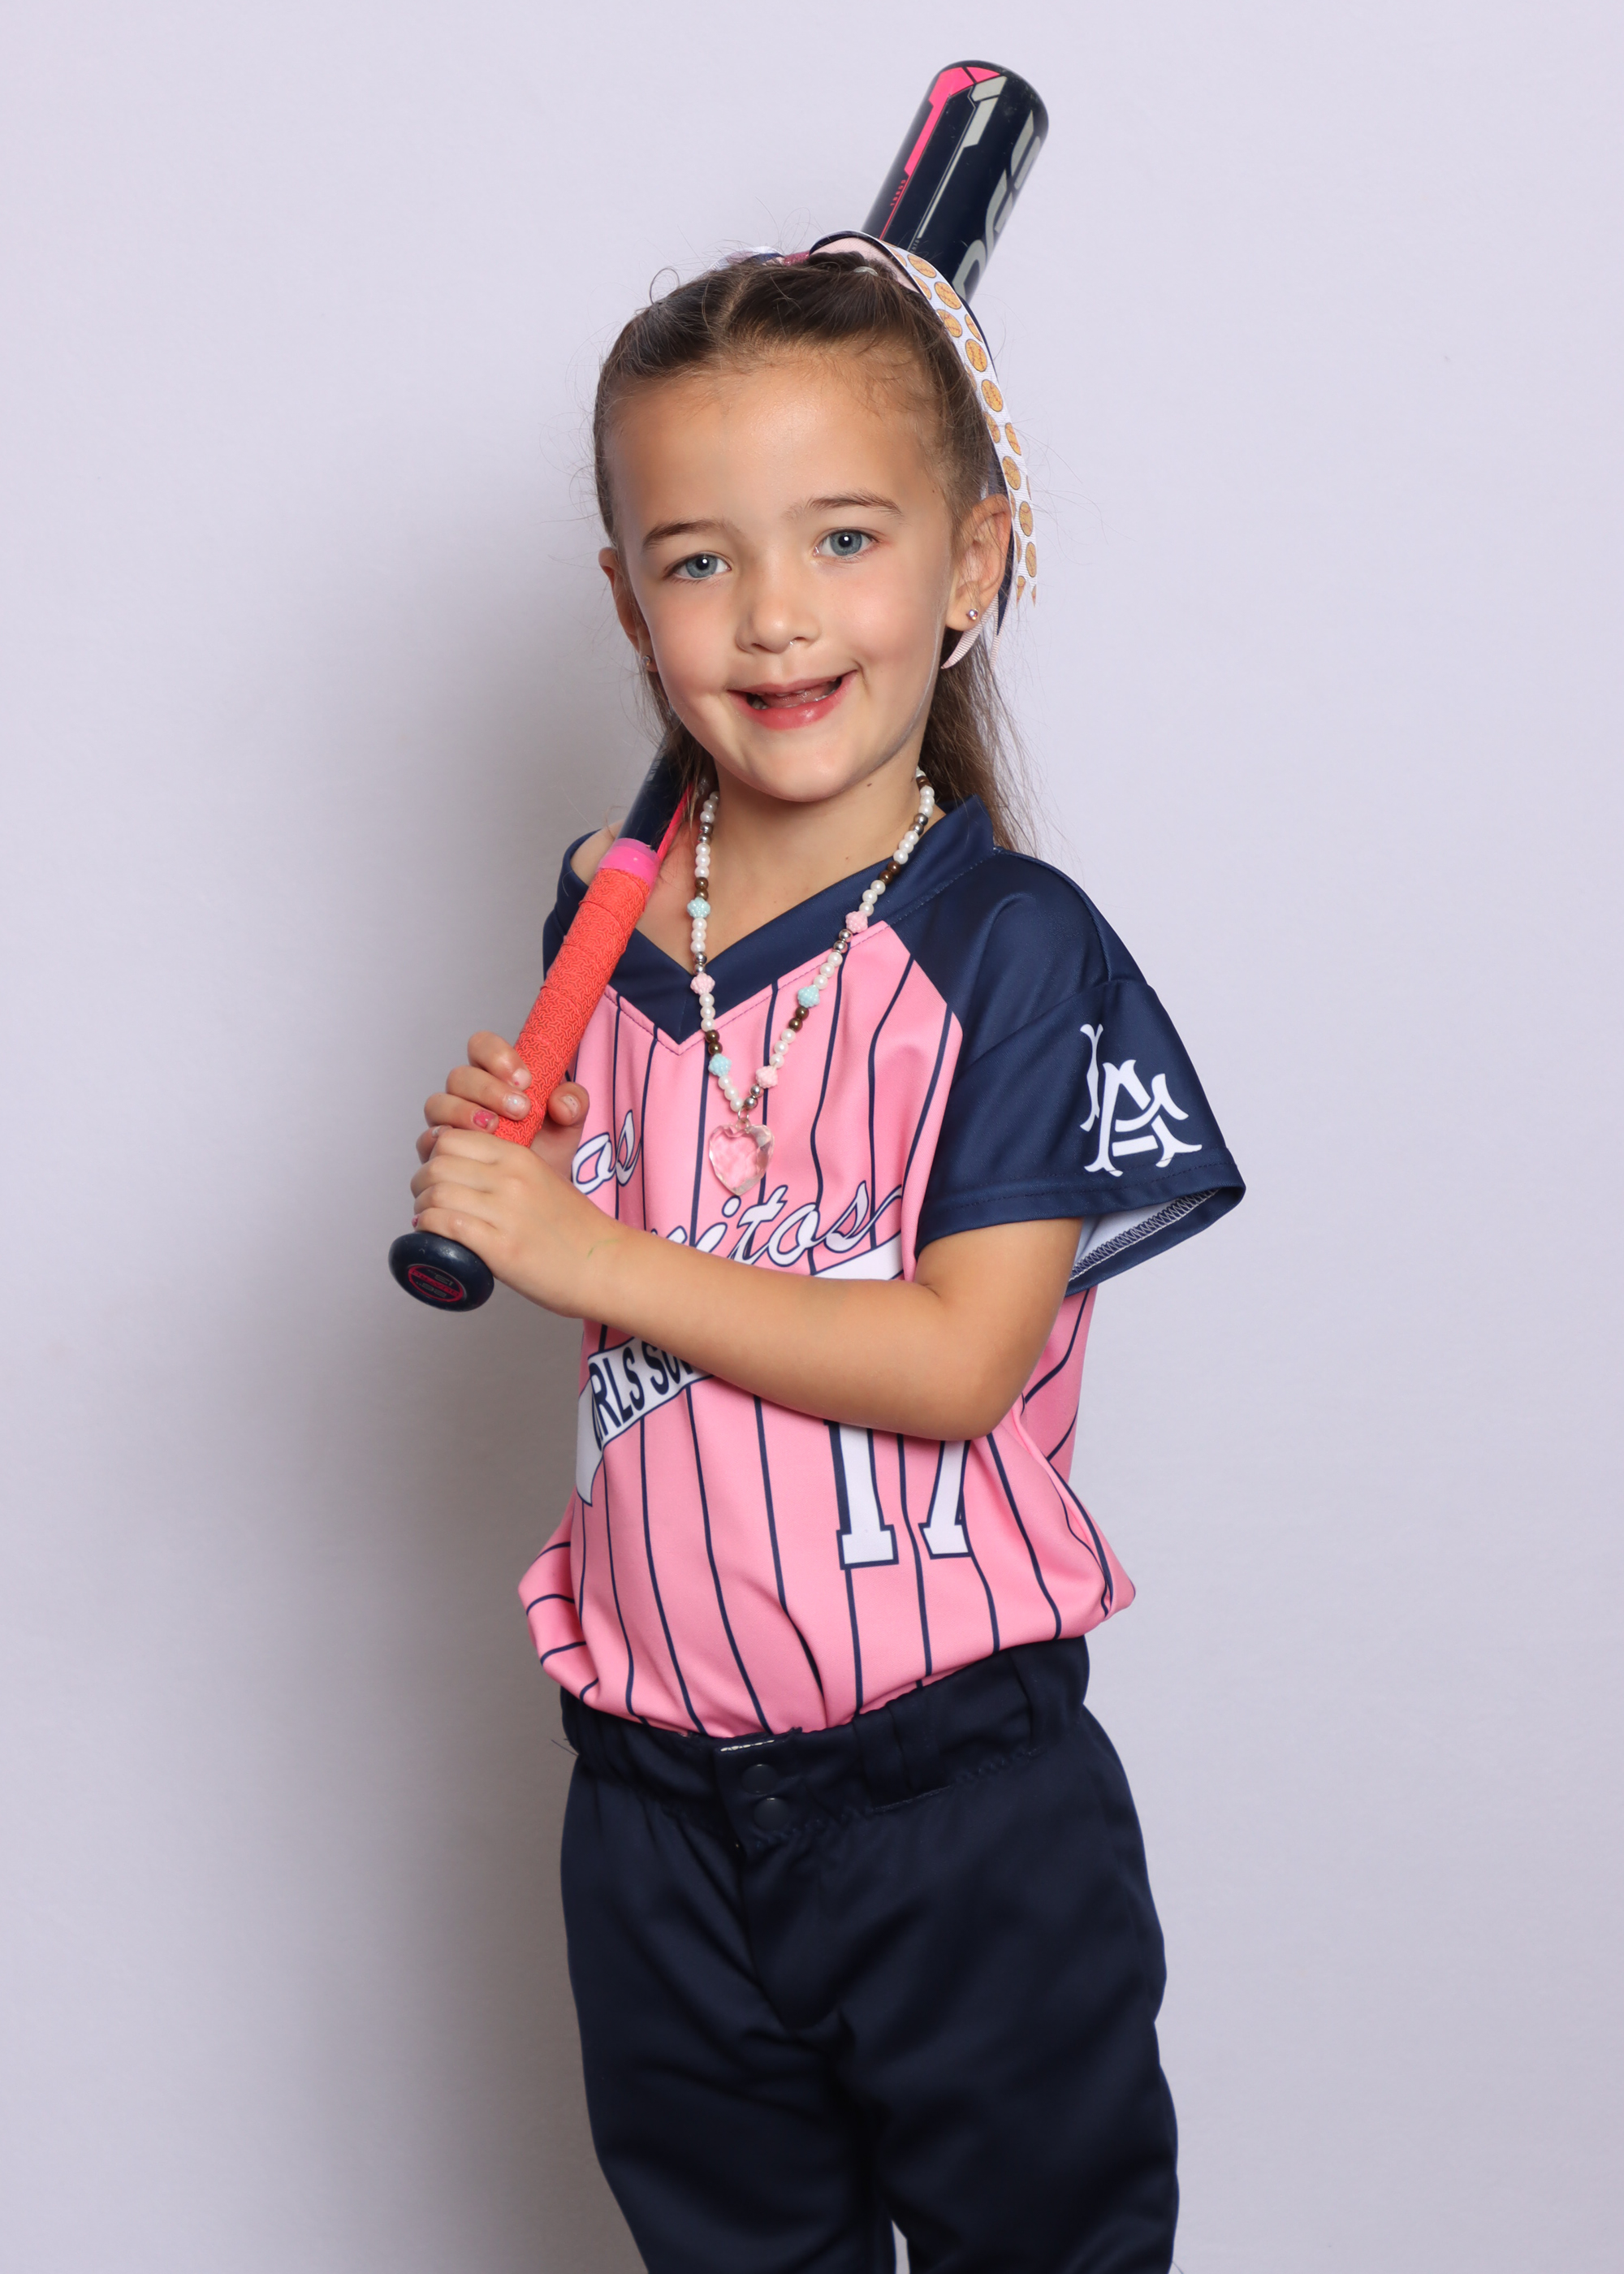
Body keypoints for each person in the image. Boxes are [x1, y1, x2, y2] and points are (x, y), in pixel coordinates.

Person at [408, 244, 1244, 2274]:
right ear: (630, 607)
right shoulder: (601, 924)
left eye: (845, 538)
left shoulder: (1012, 949)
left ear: (973, 565)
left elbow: (959, 1360)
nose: (774, 613)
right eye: (698, 560)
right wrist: (535, 1155)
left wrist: (582, 1244)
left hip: (952, 1802)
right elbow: (642, 1212)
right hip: (650, 1803)